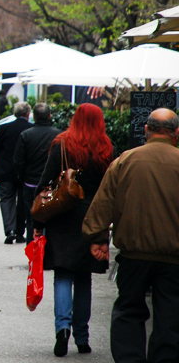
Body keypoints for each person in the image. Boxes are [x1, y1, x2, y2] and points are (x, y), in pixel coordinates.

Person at [83, 108, 179, 363]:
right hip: (174, 257)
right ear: (176, 133)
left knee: (128, 309)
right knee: (170, 315)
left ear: (146, 130)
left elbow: (103, 202)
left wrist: (97, 237)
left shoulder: (125, 160)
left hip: (133, 254)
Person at [33, 103, 114, 357]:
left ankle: (62, 329)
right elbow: (110, 187)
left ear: (75, 119)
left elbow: (46, 181)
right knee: (84, 277)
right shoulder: (106, 148)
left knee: (63, 274)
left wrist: (38, 224)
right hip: (93, 216)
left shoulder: (62, 144)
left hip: (64, 215)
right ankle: (82, 336)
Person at [13, 103, 61, 244]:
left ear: (33, 116)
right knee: (51, 219)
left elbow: (18, 161)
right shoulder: (58, 135)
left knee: (31, 218)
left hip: (30, 183)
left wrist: (22, 177)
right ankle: (49, 253)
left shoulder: (26, 135)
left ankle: (33, 254)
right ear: (50, 116)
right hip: (52, 185)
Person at [0, 101, 32, 244]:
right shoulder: (30, 129)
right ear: (28, 114)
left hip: (5, 170)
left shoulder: (4, 128)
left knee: (7, 199)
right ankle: (20, 232)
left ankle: (10, 230)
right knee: (23, 201)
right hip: (25, 171)